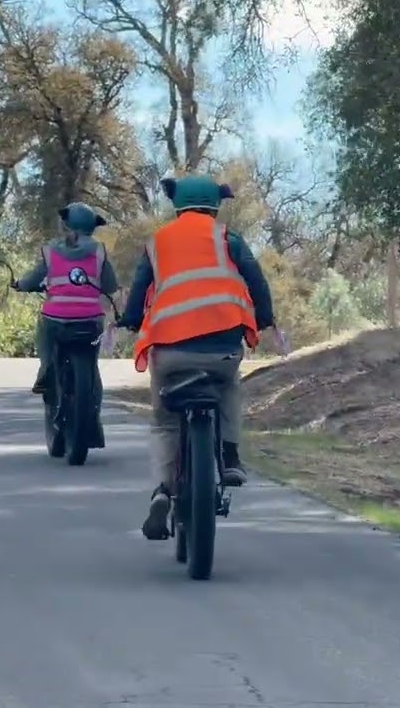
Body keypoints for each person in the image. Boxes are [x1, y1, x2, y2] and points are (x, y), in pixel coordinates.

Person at [117, 174, 288, 541]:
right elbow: (256, 281)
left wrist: (131, 320)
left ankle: (163, 489)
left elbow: (138, 292)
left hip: (170, 350)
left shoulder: (157, 243)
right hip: (222, 347)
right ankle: (229, 457)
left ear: (178, 206)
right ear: (214, 206)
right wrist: (264, 319)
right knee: (229, 388)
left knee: (165, 422)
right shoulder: (227, 238)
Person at [13, 203, 120, 450]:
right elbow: (111, 286)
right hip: (90, 323)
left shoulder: (50, 252)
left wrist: (21, 285)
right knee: (92, 370)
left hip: (55, 323)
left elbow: (31, 280)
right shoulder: (100, 252)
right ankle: (92, 420)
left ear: (67, 224)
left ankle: (46, 372)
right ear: (92, 227)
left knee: (47, 348)